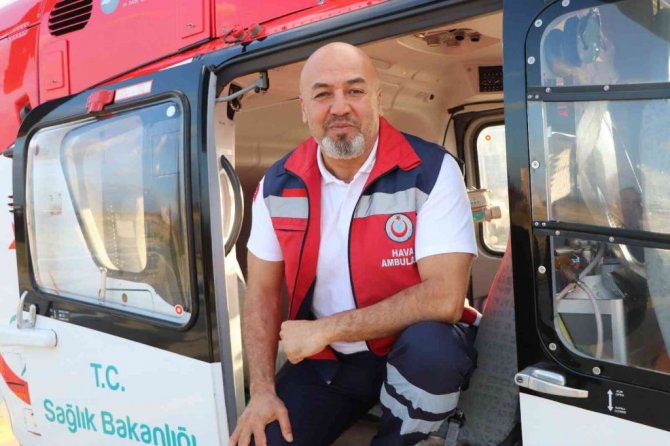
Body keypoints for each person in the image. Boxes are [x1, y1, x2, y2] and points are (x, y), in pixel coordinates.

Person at [229, 42, 479, 446]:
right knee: (263, 439)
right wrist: (261, 391)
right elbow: (261, 293)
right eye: (323, 94)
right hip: (329, 362)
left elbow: (445, 297)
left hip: (412, 352)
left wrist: (325, 329)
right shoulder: (277, 185)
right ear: (304, 109)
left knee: (433, 349)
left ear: (378, 100)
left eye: (355, 91)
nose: (340, 107)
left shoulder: (431, 170)